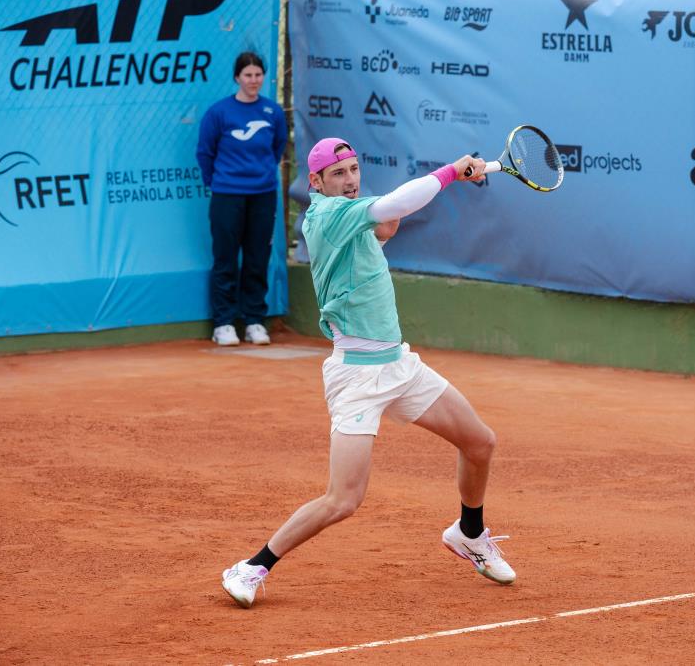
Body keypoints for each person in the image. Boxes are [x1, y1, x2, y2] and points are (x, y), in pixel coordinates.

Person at [221, 137, 515, 609]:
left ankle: (470, 533)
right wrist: (452, 172)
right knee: (343, 499)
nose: (349, 179)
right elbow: (396, 205)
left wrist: (438, 187)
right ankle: (252, 566)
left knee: (480, 442)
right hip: (356, 376)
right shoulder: (324, 216)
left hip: (399, 365)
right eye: (337, 174)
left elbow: (390, 220)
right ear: (314, 182)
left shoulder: (355, 213)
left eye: (354, 169)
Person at [196, 52, 287, 346]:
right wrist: (221, 182)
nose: (253, 80)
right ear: (237, 77)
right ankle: (223, 323)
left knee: (257, 258)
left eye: (258, 74)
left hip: (262, 196)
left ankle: (254, 321)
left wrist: (259, 177)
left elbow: (277, 148)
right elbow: (205, 153)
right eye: (247, 75)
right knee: (225, 257)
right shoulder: (218, 113)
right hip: (226, 195)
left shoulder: (272, 112)